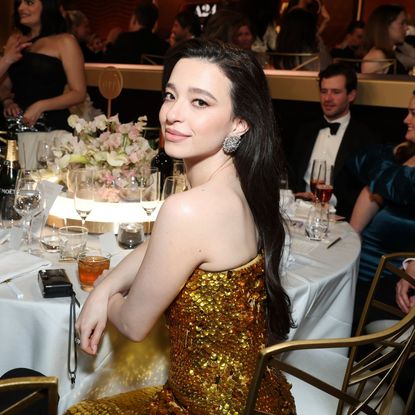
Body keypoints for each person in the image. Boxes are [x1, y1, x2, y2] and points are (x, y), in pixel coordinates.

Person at [64, 38, 296, 414]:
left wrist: (105, 301)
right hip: (260, 398)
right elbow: (165, 245)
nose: (172, 114)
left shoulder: (188, 209)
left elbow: (135, 324)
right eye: (170, 96)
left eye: (199, 102)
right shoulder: (245, 184)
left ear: (239, 122)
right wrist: (106, 283)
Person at [349, 91, 415, 317]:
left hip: (393, 270)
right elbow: (374, 189)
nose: (406, 120)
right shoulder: (402, 153)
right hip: (364, 257)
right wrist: (352, 235)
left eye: (413, 114)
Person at [286, 63, 377, 220]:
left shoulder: (365, 138)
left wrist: (329, 199)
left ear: (351, 95)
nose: (327, 98)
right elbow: (290, 174)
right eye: (323, 91)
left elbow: (365, 190)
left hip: (339, 218)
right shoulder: (305, 131)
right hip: (298, 214)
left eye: (335, 92)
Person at [0, 0, 86, 131]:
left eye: (29, 3)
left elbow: (79, 93)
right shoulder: (15, 39)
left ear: (47, 7)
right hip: (15, 123)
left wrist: (40, 106)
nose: (21, 8)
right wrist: (7, 101)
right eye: (19, 3)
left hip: (50, 124)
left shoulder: (65, 41)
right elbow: (5, 84)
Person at [103, 2, 169, 64]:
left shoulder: (125, 39)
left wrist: (109, 42)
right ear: (154, 24)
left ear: (134, 20)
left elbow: (108, 63)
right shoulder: (163, 46)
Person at [361, 4, 409, 75]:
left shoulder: (388, 53)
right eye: (402, 23)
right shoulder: (376, 57)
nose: (406, 28)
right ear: (385, 26)